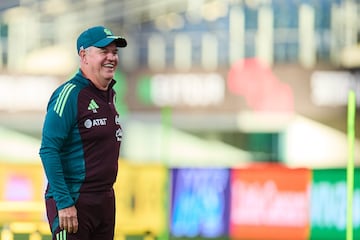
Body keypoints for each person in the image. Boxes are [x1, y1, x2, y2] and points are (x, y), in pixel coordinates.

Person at [39, 25, 127, 240]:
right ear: (83, 55)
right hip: (74, 201)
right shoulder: (69, 94)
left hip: (105, 201)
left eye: (114, 52)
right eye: (103, 51)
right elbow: (49, 150)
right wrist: (65, 203)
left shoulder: (109, 95)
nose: (111, 57)